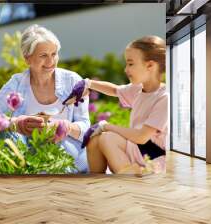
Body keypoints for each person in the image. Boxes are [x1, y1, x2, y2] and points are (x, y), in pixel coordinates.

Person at [0, 24, 90, 173]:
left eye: (54, 54)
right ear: (27, 58)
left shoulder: (72, 81)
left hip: (66, 156)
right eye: (43, 55)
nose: (51, 61)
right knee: (6, 131)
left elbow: (85, 126)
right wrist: (15, 123)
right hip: (27, 154)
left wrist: (65, 127)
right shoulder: (17, 83)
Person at [66, 36, 167, 175]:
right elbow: (115, 90)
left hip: (153, 156)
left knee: (107, 137)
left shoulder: (164, 97)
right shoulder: (138, 89)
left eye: (131, 64)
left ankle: (130, 179)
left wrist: (106, 126)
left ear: (150, 65)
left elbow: (142, 137)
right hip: (138, 149)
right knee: (94, 140)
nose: (126, 69)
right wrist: (88, 83)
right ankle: (98, 182)